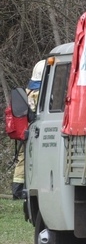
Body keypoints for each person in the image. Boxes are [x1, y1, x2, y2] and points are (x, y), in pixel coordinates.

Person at [10, 61, 42, 200]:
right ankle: (21, 190)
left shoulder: (28, 91)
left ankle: (18, 190)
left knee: (23, 159)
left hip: (26, 131)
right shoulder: (40, 93)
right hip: (34, 132)